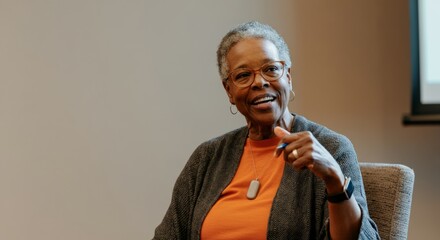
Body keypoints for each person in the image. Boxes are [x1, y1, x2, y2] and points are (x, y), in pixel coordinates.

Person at [153, 21, 380, 240]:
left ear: (288, 78)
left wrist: (335, 179)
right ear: (229, 91)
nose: (259, 82)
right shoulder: (207, 157)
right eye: (243, 75)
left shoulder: (331, 148)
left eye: (271, 69)